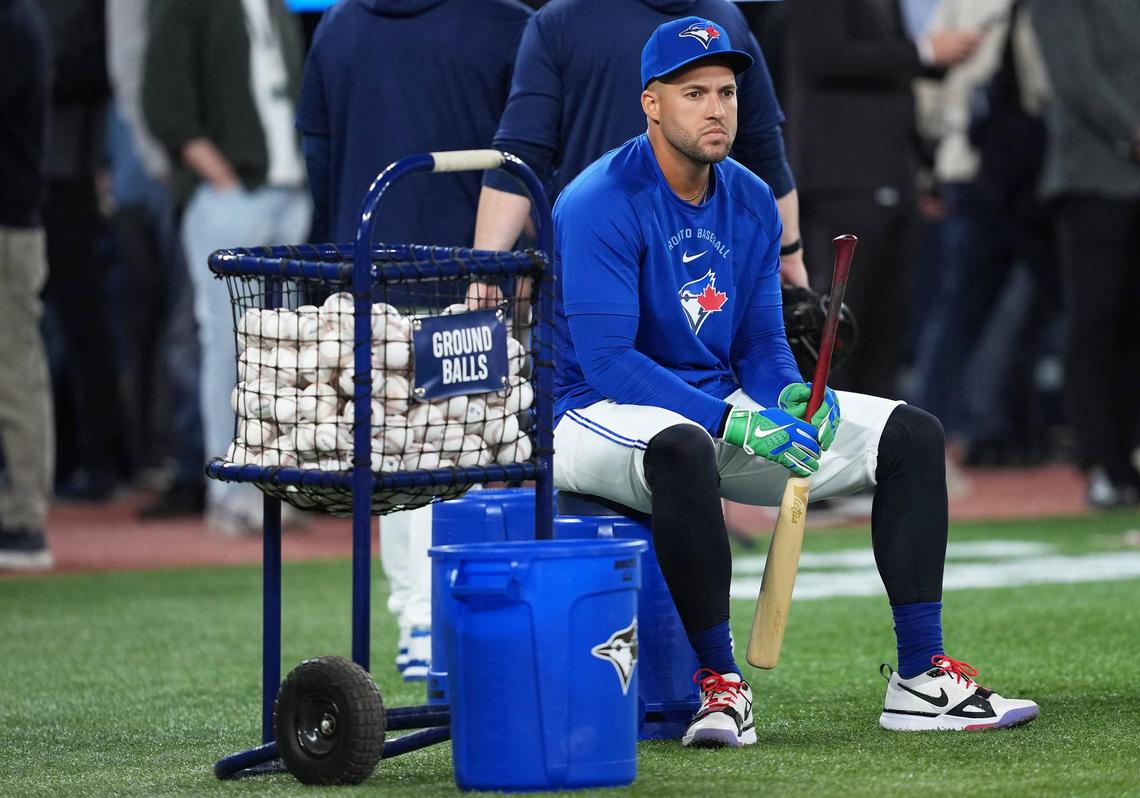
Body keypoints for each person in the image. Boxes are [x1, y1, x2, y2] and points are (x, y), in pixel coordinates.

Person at [552, 16, 1038, 747]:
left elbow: (758, 341)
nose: (717, 109)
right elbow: (608, 361)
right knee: (684, 444)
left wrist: (788, 397)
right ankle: (721, 688)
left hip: (709, 407)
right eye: (694, 94)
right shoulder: (598, 201)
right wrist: (732, 423)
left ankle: (920, 678)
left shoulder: (748, 198)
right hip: (591, 414)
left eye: (726, 92)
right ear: (651, 103)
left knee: (911, 434)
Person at [295, 0, 533, 679]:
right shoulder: (508, 23)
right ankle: (452, 617)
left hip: (362, 271)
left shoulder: (339, 23)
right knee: (468, 449)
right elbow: (527, 155)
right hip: (470, 276)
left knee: (394, 456)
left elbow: (318, 152)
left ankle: (418, 619)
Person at [470, 0, 809, 295]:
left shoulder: (562, 19)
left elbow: (519, 158)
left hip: (610, 268)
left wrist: (486, 266)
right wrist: (789, 251)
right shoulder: (726, 19)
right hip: (693, 269)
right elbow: (765, 153)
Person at [143, 0, 312, 533]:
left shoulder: (278, 9)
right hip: (231, 195)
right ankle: (231, 489)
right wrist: (222, 179)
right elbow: (164, 105)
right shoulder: (185, 7)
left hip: (288, 195)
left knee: (282, 348)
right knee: (228, 342)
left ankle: (274, 481)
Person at [785, 0, 981, 397]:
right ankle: (826, 440)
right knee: (840, 323)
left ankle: (878, 444)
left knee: (887, 324)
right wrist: (924, 51)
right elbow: (824, 55)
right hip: (844, 179)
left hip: (892, 175)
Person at [1031, 0, 1140, 507]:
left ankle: (1132, 455)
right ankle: (1103, 462)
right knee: (1096, 321)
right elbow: (1076, 78)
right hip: (1093, 180)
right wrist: (1136, 134)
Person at [0, 0, 55, 569]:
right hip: (12, 227)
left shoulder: (14, 24)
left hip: (9, 229)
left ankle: (23, 519)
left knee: (15, 373)